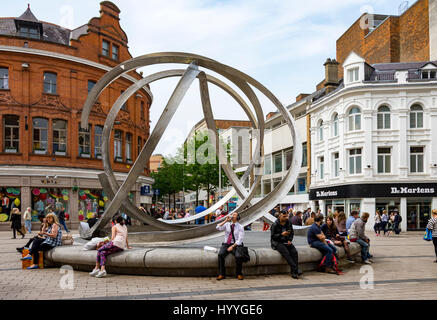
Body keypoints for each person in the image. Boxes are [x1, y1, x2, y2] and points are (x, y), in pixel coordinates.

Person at [271, 210, 302, 279]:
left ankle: (294, 272)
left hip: (286, 241)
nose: (285, 218)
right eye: (284, 216)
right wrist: (281, 234)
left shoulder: (289, 223)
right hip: (277, 242)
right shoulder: (275, 224)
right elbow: (273, 236)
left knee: (294, 252)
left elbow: (291, 233)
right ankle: (295, 269)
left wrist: (289, 240)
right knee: (286, 253)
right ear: (279, 216)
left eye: (286, 216)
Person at [216, 211, 245, 280]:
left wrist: (232, 246)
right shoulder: (227, 224)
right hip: (226, 243)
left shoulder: (240, 227)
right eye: (232, 214)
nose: (232, 215)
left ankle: (239, 273)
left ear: (237, 217)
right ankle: (222, 274)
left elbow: (240, 240)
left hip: (235, 244)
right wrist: (226, 220)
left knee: (238, 256)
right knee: (220, 255)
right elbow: (217, 227)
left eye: (234, 214)